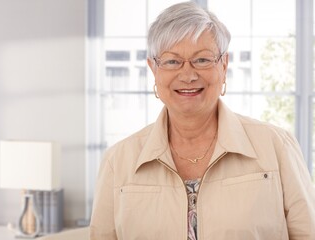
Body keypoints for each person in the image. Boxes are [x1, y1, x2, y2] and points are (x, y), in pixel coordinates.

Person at [90, 2, 315, 239]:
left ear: (224, 65)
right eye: (172, 61)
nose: (188, 74)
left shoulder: (276, 146)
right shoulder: (118, 162)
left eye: (203, 60)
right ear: (153, 70)